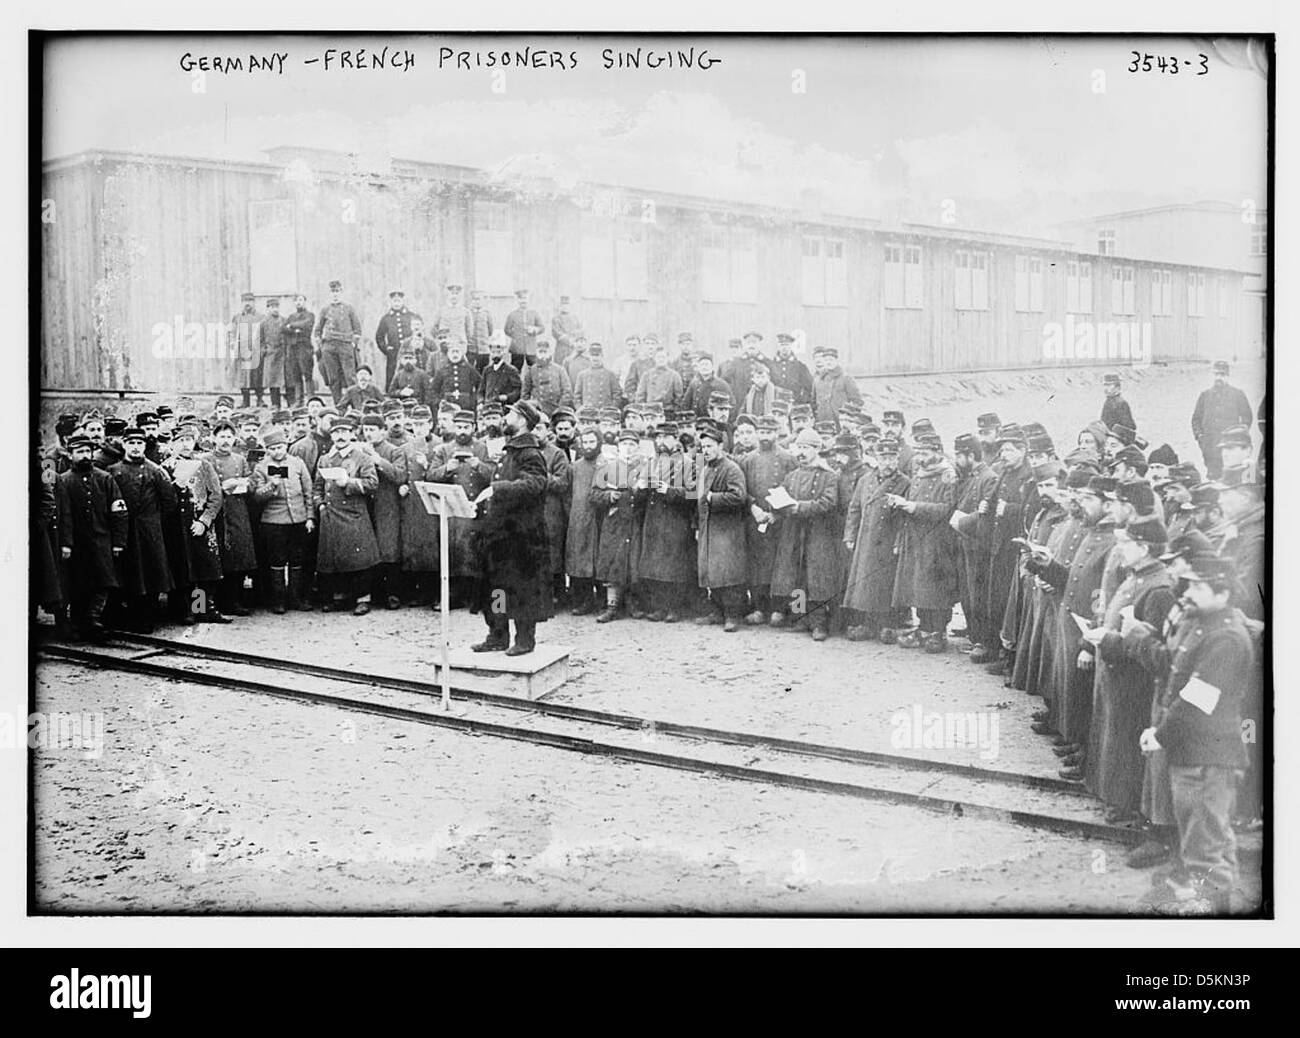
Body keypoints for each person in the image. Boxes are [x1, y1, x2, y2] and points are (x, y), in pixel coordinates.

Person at [1144, 554, 1253, 914]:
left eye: (1198, 587)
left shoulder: (1227, 639)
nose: (1188, 593)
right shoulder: (1210, 624)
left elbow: (1197, 699)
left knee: (1205, 853)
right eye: (1188, 584)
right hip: (1198, 756)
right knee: (1213, 845)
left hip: (1206, 760)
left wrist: (1160, 734)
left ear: (1222, 593)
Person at [1077, 514, 1177, 824]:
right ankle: (1112, 795)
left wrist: (1107, 639)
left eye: (1125, 543)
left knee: (1125, 739)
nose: (1119, 549)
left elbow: (1152, 647)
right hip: (1115, 671)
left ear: (1144, 547)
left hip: (1133, 680)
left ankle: (1124, 802)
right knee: (1112, 735)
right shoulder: (1137, 575)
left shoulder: (1159, 587)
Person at [470, 400, 553, 654]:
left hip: (522, 537)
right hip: (501, 535)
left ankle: (525, 640)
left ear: (524, 421)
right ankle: (498, 634)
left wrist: (497, 489)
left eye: (512, 414)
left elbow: (535, 484)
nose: (506, 418)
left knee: (522, 589)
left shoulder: (529, 452)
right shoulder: (511, 450)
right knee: (497, 587)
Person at [889, 432, 959, 653]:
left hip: (938, 541)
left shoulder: (948, 475)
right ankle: (924, 628)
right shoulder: (918, 474)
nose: (919, 457)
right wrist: (901, 506)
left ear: (938, 452)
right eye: (918, 452)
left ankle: (938, 632)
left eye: (925, 453)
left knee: (936, 589)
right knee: (919, 586)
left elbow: (948, 508)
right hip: (917, 539)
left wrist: (915, 507)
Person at [768, 428, 840, 641]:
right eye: (799, 447)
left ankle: (818, 623)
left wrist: (800, 507)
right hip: (793, 533)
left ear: (817, 449)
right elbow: (781, 495)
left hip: (818, 535)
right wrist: (776, 504)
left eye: (805, 448)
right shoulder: (791, 476)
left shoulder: (829, 476)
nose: (801, 452)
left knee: (815, 579)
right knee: (795, 576)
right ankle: (800, 617)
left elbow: (828, 502)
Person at [56, 434, 128, 639]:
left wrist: (119, 541)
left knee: (104, 581)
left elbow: (119, 511)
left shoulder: (105, 478)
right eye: (80, 452)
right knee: (78, 583)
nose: (85, 456)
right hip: (77, 543)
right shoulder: (64, 481)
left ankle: (94, 618)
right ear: (70, 455)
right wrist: (66, 543)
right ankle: (79, 622)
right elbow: (64, 515)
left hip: (102, 541)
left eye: (87, 451)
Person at [107, 427, 176, 632]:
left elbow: (169, 501)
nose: (136, 448)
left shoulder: (156, 471)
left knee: (151, 571)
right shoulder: (113, 471)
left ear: (145, 446)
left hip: (149, 531)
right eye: (131, 443)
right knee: (126, 572)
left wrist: (153, 520)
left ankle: (147, 617)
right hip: (123, 529)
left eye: (139, 443)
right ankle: (124, 616)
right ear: (124, 445)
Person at [161, 422, 228, 624]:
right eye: (180, 440)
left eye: (188, 440)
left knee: (205, 570)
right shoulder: (165, 468)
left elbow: (216, 496)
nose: (185, 445)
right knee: (184, 570)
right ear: (173, 444)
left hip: (202, 526)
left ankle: (205, 608)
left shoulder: (204, 465)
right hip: (177, 527)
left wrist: (204, 521)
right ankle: (187, 610)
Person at [313, 415, 380, 615]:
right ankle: (340, 597)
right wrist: (320, 506)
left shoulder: (363, 458)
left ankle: (362, 599)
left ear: (352, 434)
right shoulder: (325, 459)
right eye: (336, 432)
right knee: (335, 558)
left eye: (344, 432)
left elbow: (372, 483)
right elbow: (317, 486)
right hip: (331, 515)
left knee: (359, 558)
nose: (340, 436)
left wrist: (349, 483)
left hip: (354, 514)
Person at [635, 420, 697, 623]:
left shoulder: (687, 463)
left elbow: (694, 493)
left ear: (675, 439)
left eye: (666, 437)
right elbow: (639, 490)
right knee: (655, 566)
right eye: (658, 437)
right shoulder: (651, 462)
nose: (661, 442)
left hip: (675, 521)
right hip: (654, 520)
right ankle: (659, 607)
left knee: (675, 567)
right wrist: (641, 487)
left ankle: (675, 608)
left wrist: (669, 491)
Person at [739, 415, 797, 624]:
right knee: (756, 564)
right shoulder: (747, 460)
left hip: (780, 521)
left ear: (776, 433)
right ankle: (758, 607)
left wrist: (777, 514)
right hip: (755, 519)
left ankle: (779, 609)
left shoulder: (788, 458)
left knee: (780, 564)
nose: (765, 436)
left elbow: (794, 488)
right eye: (761, 432)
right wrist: (753, 507)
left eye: (769, 432)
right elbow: (740, 489)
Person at [250, 427, 315, 613]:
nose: (277, 451)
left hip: (298, 520)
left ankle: (295, 598)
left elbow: (308, 492)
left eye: (280, 447)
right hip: (273, 522)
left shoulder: (297, 463)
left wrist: (310, 517)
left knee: (297, 559)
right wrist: (271, 485)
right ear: (267, 450)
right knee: (277, 561)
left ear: (286, 446)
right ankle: (278, 600)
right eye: (272, 448)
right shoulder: (261, 467)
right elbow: (257, 497)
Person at [693, 420, 749, 632]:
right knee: (710, 573)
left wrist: (713, 497)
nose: (705, 451)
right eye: (703, 447)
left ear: (720, 446)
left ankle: (732, 616)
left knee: (728, 574)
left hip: (727, 530)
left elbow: (739, 496)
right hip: (708, 528)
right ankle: (716, 612)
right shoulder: (705, 469)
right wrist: (698, 525)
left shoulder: (732, 469)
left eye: (709, 446)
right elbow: (698, 500)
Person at [205, 420, 258, 617]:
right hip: (216, 512)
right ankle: (204, 606)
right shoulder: (206, 459)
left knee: (238, 557)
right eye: (221, 436)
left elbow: (252, 481)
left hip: (237, 510)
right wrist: (222, 486)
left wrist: (243, 483)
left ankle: (233, 602)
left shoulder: (240, 459)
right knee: (214, 560)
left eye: (229, 436)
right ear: (213, 439)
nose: (225, 441)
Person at [591, 429, 644, 623]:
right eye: (624, 444)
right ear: (618, 447)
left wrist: (642, 490)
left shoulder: (644, 468)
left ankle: (632, 603)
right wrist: (608, 496)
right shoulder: (607, 468)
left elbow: (650, 498)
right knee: (613, 562)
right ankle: (611, 606)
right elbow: (594, 494)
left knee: (633, 563)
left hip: (635, 522)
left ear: (637, 447)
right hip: (614, 522)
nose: (628, 449)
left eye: (632, 445)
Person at [565, 426, 605, 616]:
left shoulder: (607, 464)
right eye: (585, 442)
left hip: (600, 518)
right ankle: (584, 600)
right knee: (580, 560)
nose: (588, 446)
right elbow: (568, 493)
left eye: (592, 442)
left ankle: (604, 600)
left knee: (599, 558)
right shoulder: (575, 467)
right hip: (579, 517)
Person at [1190, 360, 1253, 479]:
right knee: (1213, 478)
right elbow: (1195, 419)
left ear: (1228, 376)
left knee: (1233, 477)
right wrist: (1200, 437)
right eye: (1216, 374)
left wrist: (1238, 437)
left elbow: (1247, 417)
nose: (1218, 377)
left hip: (1230, 446)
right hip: (1210, 446)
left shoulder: (1238, 394)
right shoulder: (1205, 395)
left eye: (1222, 375)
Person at [536, 414, 574, 608]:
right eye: (531, 429)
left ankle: (555, 597)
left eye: (539, 429)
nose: (535, 433)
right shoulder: (523, 452)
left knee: (552, 556)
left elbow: (562, 483)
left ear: (547, 431)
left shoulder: (556, 454)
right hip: (529, 512)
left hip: (550, 512)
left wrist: (541, 476)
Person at [313, 280, 363, 405]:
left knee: (350, 377)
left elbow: (357, 329)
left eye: (337, 291)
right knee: (333, 378)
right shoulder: (325, 309)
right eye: (332, 292)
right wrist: (321, 345)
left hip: (345, 345)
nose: (335, 294)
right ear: (329, 293)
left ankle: (356, 406)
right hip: (329, 347)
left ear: (341, 292)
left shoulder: (349, 309)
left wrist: (352, 344)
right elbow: (317, 330)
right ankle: (338, 406)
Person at [375, 289, 420, 390]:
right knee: (392, 375)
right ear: (391, 302)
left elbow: (419, 332)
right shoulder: (386, 318)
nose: (396, 303)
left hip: (409, 352)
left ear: (403, 301)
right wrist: (386, 349)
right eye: (394, 301)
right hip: (394, 354)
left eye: (398, 301)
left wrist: (415, 345)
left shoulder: (411, 316)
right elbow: (379, 336)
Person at [521, 339, 574, 417]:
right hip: (538, 410)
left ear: (550, 353)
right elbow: (525, 393)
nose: (543, 355)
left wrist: (560, 407)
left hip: (556, 408)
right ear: (536, 353)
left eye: (545, 352)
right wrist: (530, 408)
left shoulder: (559, 369)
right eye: (540, 352)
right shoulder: (532, 370)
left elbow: (567, 391)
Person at [228, 291, 263, 409]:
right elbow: (231, 333)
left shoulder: (260, 317)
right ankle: (245, 401)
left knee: (257, 377)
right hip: (242, 352)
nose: (247, 304)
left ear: (254, 303)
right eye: (245, 301)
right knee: (243, 378)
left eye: (250, 301)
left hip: (256, 352)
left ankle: (260, 399)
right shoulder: (237, 317)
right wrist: (232, 344)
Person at [282, 293, 317, 407]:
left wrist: (291, 326)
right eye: (296, 300)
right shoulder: (291, 316)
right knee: (296, 375)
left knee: (307, 375)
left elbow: (306, 325)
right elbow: (282, 329)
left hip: (304, 348)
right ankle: (299, 400)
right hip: (292, 349)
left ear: (305, 301)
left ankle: (311, 399)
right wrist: (295, 329)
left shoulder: (310, 315)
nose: (298, 302)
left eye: (300, 300)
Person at [812, 346, 862, 425]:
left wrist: (849, 418)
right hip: (822, 422)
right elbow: (813, 402)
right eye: (826, 360)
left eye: (831, 359)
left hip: (841, 422)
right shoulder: (818, 380)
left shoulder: (846, 378)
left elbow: (857, 401)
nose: (828, 362)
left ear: (837, 361)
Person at [768, 331, 814, 406]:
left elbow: (809, 387)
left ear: (791, 346)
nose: (784, 347)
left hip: (794, 404)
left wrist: (801, 400)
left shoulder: (800, 366)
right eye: (782, 345)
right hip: (775, 405)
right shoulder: (771, 365)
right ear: (778, 346)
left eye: (787, 345)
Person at [634, 341, 684, 410]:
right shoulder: (647, 375)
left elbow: (679, 397)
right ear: (654, 358)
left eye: (663, 357)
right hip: (650, 411)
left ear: (667, 358)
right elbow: (640, 396)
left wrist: (674, 410)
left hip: (668, 411)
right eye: (658, 357)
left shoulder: (674, 376)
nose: (661, 359)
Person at [258, 297, 288, 410]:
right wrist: (264, 351)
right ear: (268, 309)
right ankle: (275, 404)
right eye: (272, 307)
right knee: (272, 380)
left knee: (284, 379)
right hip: (270, 354)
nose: (275, 309)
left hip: (283, 354)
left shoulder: (284, 320)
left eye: (277, 307)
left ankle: (288, 402)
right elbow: (260, 340)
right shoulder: (263, 323)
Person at [503, 289, 544, 371]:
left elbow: (542, 328)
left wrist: (535, 330)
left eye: (525, 298)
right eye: (521, 299)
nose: (523, 301)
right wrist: (516, 336)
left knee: (534, 370)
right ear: (518, 300)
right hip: (517, 349)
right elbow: (507, 330)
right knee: (515, 370)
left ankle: (532, 384)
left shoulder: (534, 313)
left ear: (528, 299)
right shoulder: (512, 314)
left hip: (531, 348)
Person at [574, 344, 624, 411]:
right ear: (589, 357)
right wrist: (580, 408)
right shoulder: (582, 375)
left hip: (605, 413)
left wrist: (611, 408)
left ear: (602, 356)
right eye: (592, 355)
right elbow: (577, 396)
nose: (595, 358)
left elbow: (617, 394)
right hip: (587, 412)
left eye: (597, 355)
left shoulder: (610, 374)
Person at [683, 352, 731, 418]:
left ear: (712, 367)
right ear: (699, 367)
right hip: (697, 421)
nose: (704, 367)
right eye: (702, 365)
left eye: (707, 364)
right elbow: (686, 403)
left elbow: (731, 405)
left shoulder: (721, 384)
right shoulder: (694, 383)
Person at [479, 337, 523, 407]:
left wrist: (507, 397)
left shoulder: (511, 370)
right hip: (487, 407)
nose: (496, 355)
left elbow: (518, 390)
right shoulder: (487, 370)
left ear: (503, 352)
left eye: (498, 352)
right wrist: (480, 402)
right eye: (493, 352)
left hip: (503, 407)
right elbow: (481, 391)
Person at [466, 290, 495, 372]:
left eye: (479, 299)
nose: (477, 301)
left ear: (483, 300)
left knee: (483, 372)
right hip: (471, 349)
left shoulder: (487, 314)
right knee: (470, 371)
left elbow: (490, 331)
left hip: (484, 349)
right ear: (472, 301)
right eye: (475, 299)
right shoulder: (468, 313)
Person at [551, 295, 583, 367]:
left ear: (570, 306)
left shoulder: (575, 318)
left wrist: (575, 340)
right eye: (563, 305)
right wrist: (569, 341)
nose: (565, 307)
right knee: (559, 368)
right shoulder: (556, 319)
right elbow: (556, 333)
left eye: (567, 305)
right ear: (560, 306)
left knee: (573, 368)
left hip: (573, 349)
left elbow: (580, 331)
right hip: (561, 349)